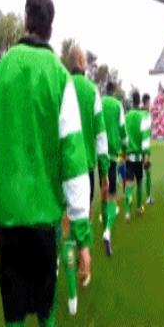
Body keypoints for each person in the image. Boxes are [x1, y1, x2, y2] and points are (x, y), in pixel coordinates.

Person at [0, 0, 92, 327]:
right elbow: (74, 160)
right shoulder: (60, 76)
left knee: (13, 317)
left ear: (25, 19)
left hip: (9, 221)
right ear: (50, 27)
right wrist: (82, 236)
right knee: (46, 315)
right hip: (45, 225)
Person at [69, 45, 109, 210]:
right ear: (80, 61)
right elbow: (100, 135)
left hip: (65, 167)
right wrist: (104, 171)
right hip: (85, 167)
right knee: (85, 215)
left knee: (65, 217)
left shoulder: (61, 85)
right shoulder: (92, 91)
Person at [100, 80, 128, 255]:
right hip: (111, 154)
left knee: (103, 189)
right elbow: (123, 131)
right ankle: (107, 230)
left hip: (98, 153)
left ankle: (104, 220)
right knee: (112, 194)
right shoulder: (117, 105)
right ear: (115, 90)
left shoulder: (99, 102)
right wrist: (124, 151)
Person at [124, 91, 151, 222]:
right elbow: (145, 138)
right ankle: (139, 207)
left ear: (131, 100)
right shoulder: (142, 117)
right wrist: (146, 156)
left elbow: (122, 135)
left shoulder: (126, 116)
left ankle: (127, 213)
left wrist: (123, 152)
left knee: (129, 184)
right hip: (139, 157)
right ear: (139, 101)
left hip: (128, 156)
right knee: (139, 182)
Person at [142, 93, 154, 205]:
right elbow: (147, 132)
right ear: (146, 103)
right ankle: (148, 197)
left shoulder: (138, 114)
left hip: (135, 147)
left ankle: (129, 197)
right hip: (144, 148)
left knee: (134, 174)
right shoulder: (147, 115)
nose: (150, 105)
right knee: (147, 172)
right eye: (149, 102)